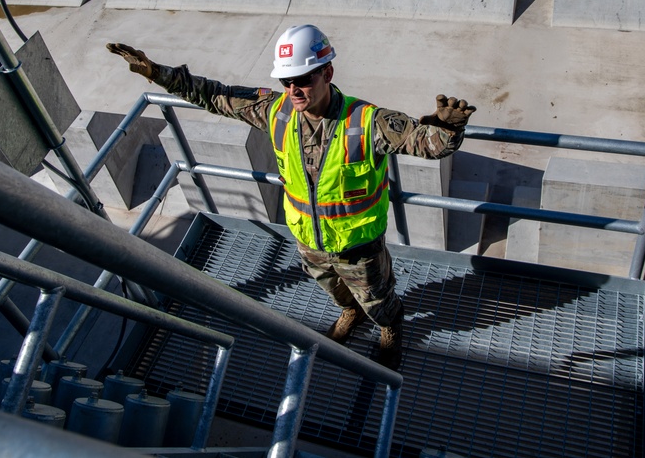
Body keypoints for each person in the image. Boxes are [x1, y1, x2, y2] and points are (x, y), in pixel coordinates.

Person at [107, 24, 476, 369]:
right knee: (335, 291)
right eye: (287, 81)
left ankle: (389, 327)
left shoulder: (367, 121)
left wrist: (446, 128)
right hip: (308, 240)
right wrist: (157, 73)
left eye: (303, 79)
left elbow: (425, 144)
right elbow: (215, 95)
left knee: (378, 299)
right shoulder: (275, 111)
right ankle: (349, 312)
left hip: (358, 245)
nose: (294, 90)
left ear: (327, 73)